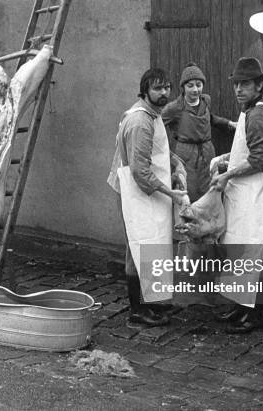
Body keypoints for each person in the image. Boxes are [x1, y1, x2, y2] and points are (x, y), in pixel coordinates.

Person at [108, 68, 188, 326]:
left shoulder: (153, 115)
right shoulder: (141, 121)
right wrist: (172, 193)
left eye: (167, 88)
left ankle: (151, 302)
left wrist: (176, 164)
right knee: (138, 246)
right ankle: (137, 310)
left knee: (151, 245)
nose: (164, 93)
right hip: (136, 191)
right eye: (157, 88)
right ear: (145, 91)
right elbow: (141, 171)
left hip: (147, 190)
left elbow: (154, 152)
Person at [210, 57, 263, 333]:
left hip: (254, 197)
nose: (239, 89)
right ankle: (240, 308)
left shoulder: (260, 115)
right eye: (236, 84)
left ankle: (254, 315)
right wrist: (226, 158)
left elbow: (261, 158)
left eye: (246, 84)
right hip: (243, 196)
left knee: (250, 253)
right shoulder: (248, 112)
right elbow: (247, 149)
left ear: (259, 85)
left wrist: (227, 174)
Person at [162, 62, 236, 204]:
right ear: (183, 88)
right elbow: (156, 120)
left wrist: (229, 123)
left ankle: (208, 225)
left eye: (199, 85)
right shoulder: (175, 108)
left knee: (209, 192)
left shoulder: (205, 101)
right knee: (187, 193)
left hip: (207, 152)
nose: (195, 90)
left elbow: (211, 118)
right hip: (185, 155)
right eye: (190, 86)